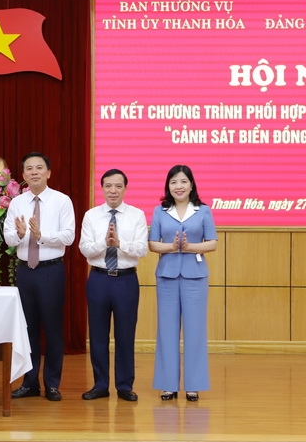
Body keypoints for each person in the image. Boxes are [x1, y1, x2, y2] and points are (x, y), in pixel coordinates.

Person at [4, 152, 75, 401]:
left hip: (51, 271)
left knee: (54, 329)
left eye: (39, 168)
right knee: (28, 329)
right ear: (23, 175)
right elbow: (8, 238)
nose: (34, 172)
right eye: (29, 169)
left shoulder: (62, 201)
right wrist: (23, 234)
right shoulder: (17, 203)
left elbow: (68, 237)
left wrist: (41, 234)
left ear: (48, 173)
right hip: (26, 272)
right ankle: (30, 382)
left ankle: (52, 384)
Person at [148, 165, 217, 402]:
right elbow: (153, 244)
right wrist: (172, 247)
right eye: (174, 182)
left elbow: (212, 243)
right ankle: (168, 385)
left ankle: (193, 385)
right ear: (168, 186)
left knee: (195, 331)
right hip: (167, 275)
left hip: (195, 276)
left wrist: (189, 248)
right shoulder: (160, 211)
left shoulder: (203, 211)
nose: (179, 186)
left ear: (191, 185)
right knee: (166, 331)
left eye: (183, 181)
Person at [79, 169, 149, 402]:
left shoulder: (136, 215)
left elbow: (142, 249)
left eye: (118, 186)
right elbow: (85, 249)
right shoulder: (91, 215)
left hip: (126, 280)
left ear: (125, 189)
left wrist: (120, 243)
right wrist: (104, 242)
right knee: (98, 335)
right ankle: (100, 385)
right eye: (108, 186)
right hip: (98, 279)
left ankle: (124, 386)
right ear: (102, 188)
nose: (113, 190)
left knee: (125, 335)